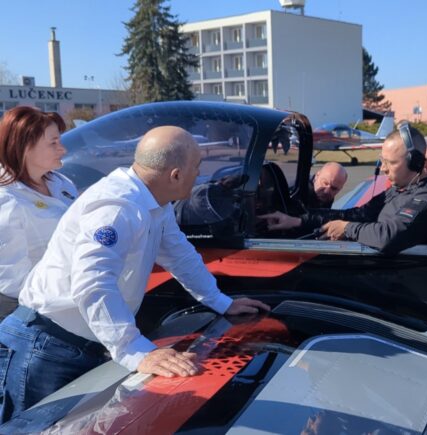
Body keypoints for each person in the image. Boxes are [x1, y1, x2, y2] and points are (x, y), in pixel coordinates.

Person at [0, 126, 270, 422]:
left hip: (77, 342)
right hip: (47, 346)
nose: (199, 175)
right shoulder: (117, 209)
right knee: (29, 429)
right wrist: (136, 350)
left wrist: (221, 302)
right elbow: (93, 283)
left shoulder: (153, 201)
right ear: (176, 175)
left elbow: (180, 255)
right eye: (196, 167)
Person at [259, 122, 427, 255]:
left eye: (390, 163)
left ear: (415, 163)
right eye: (382, 161)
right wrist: (298, 221)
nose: (383, 169)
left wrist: (347, 229)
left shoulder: (426, 199)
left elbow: (388, 235)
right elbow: (356, 215)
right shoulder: (398, 190)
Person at [0, 107, 76, 319]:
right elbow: (11, 280)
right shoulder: (5, 199)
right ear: (24, 147)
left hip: (69, 296)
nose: (63, 150)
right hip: (36, 314)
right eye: (53, 143)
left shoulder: (61, 183)